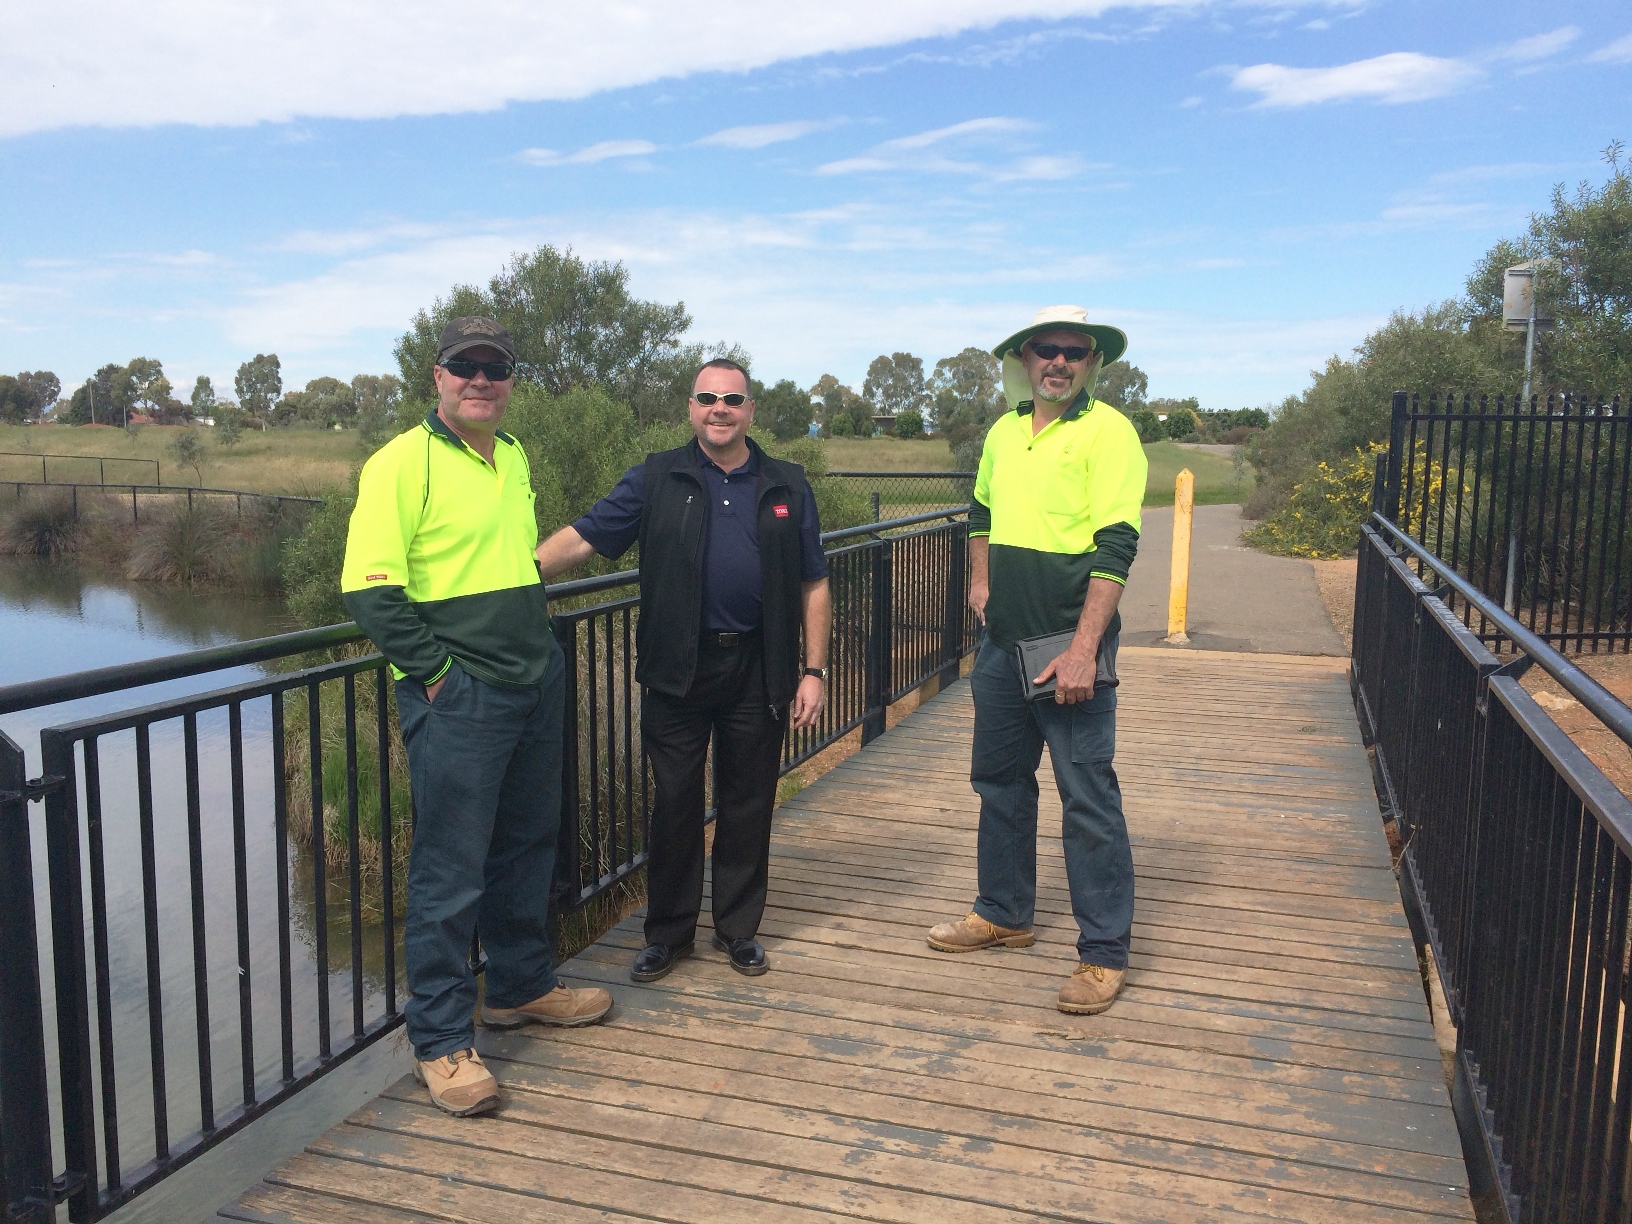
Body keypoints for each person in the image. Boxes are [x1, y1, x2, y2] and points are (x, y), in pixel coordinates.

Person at [341, 315, 611, 1118]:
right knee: (449, 870)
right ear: (437, 375)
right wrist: (438, 678)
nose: (481, 380)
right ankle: (440, 1041)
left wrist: (538, 661)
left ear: (510, 380)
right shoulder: (401, 463)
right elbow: (369, 590)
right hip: (463, 697)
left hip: (533, 681)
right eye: (466, 366)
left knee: (529, 844)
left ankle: (520, 987)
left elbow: (514, 562)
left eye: (495, 367)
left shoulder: (515, 453)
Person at [535, 358, 831, 982]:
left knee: (748, 801)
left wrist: (814, 670)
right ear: (690, 409)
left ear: (751, 410)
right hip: (678, 667)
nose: (719, 408)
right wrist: (514, 576)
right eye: (707, 398)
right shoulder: (656, 476)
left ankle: (736, 929)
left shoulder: (786, 484)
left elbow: (814, 582)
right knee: (673, 802)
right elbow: (586, 538)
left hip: (759, 666)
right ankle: (668, 934)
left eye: (732, 398)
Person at [927, 305, 1147, 1016]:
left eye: (1073, 352)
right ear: (1024, 357)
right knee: (999, 783)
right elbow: (981, 511)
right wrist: (980, 578)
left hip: (1064, 648)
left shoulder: (1109, 433)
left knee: (1087, 800)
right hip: (1000, 646)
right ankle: (1004, 913)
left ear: (1091, 363)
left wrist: (1086, 650)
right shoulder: (1003, 430)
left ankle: (1103, 953)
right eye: (1045, 350)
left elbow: (1116, 547)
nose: (1058, 362)